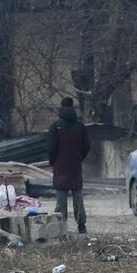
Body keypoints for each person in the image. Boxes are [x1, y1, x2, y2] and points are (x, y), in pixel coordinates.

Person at [47, 97, 90, 234]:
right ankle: (81, 226)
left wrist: (53, 161)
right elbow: (87, 146)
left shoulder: (56, 126)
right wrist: (78, 158)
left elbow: (51, 147)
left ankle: (60, 228)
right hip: (75, 167)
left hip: (60, 167)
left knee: (61, 200)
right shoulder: (80, 126)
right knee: (78, 198)